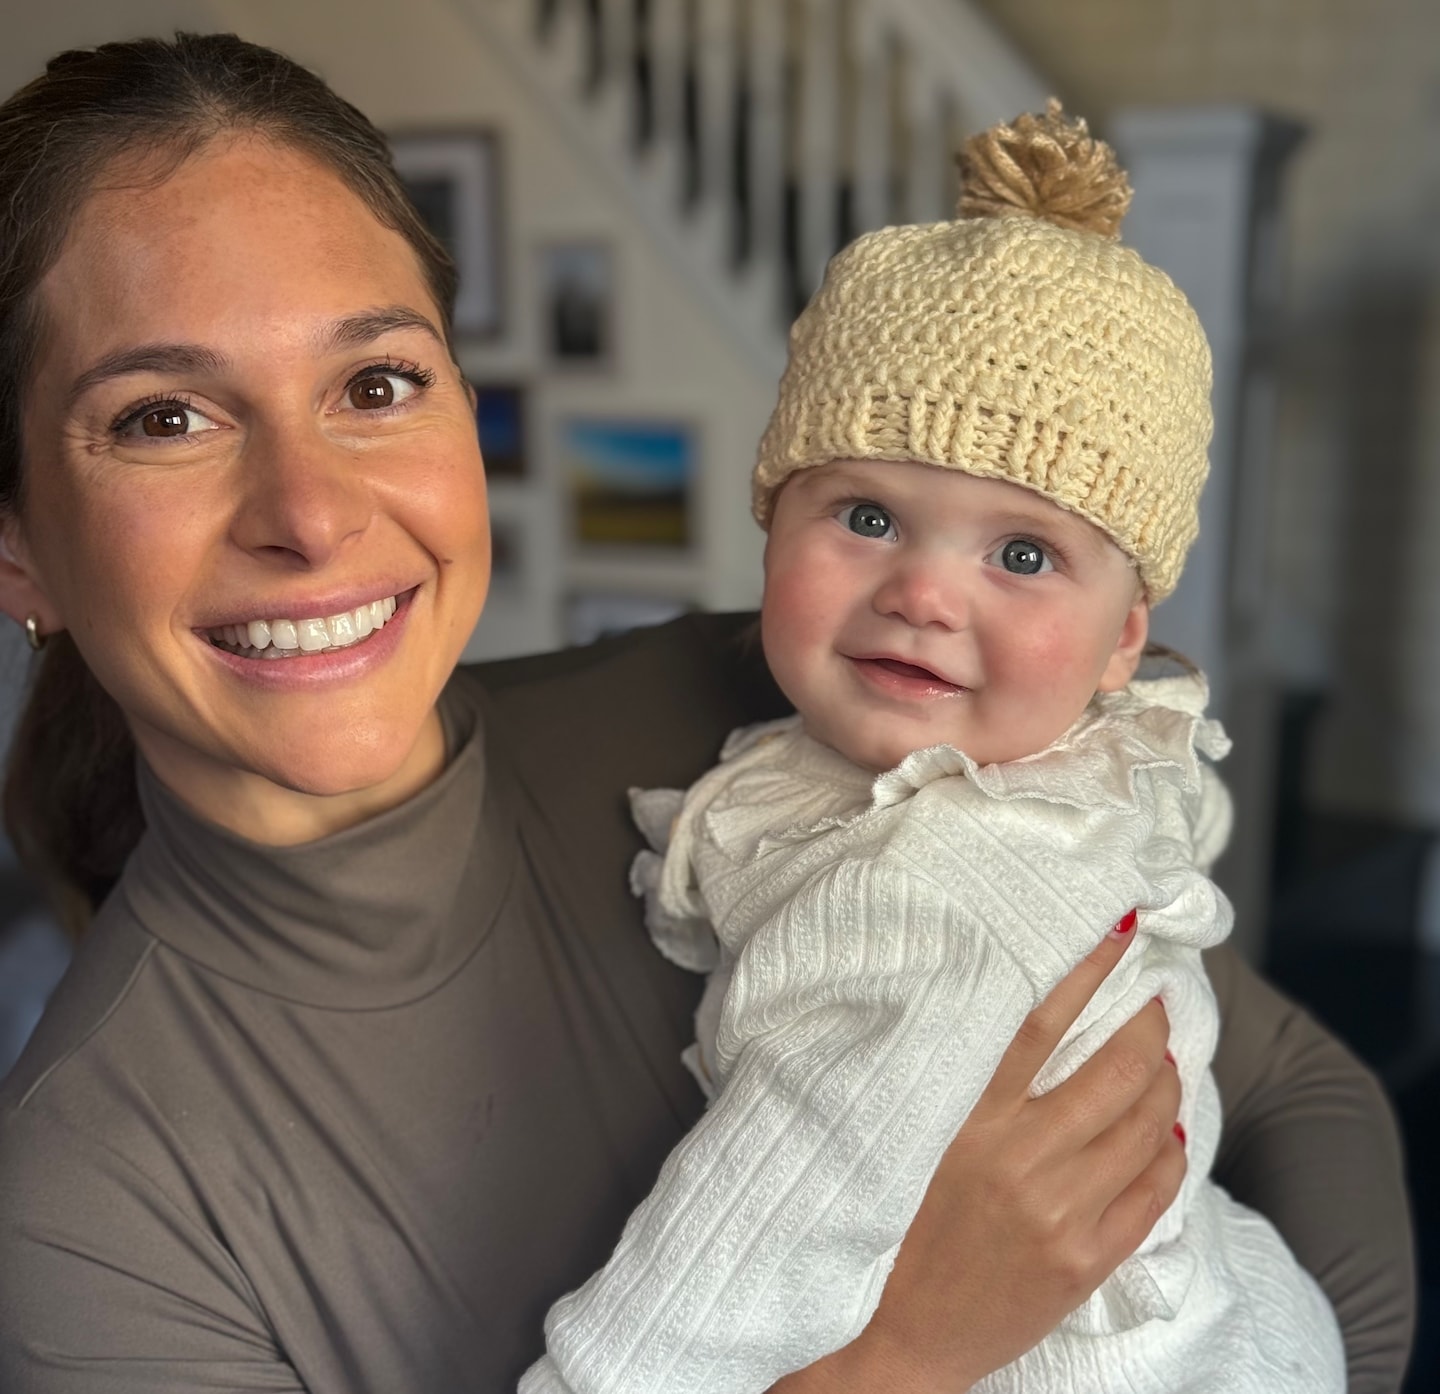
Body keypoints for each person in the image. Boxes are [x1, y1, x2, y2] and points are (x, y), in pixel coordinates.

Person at [0, 33, 1413, 1394]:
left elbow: (1302, 1092)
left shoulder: (787, 720)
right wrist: (899, 1362)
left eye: (376, 384)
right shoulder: (86, 1214)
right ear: (19, 547)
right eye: (161, 418)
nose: (309, 516)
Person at [524, 107, 1346, 1394]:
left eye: (1022, 554)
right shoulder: (1086, 768)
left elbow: (730, 1254)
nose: (923, 593)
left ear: (1123, 638)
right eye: (866, 514)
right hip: (1222, 1310)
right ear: (769, 523)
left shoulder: (903, 910)